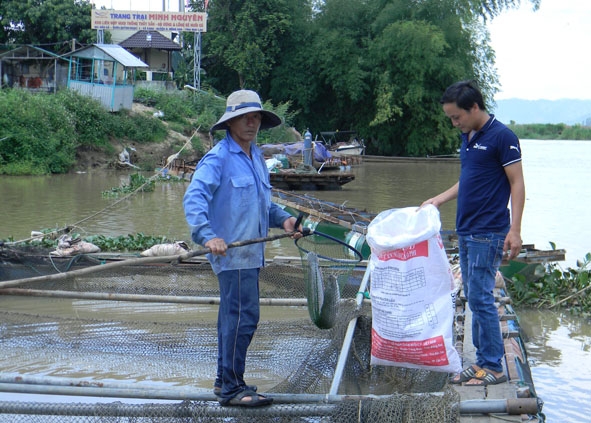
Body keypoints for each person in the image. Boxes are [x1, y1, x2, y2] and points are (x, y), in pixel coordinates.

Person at [183, 89, 301, 407]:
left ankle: (225, 382)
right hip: (231, 254)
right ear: (231, 122)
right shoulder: (219, 158)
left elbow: (264, 206)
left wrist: (286, 221)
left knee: (235, 318)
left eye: (256, 117)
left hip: (251, 255)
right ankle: (234, 389)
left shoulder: (256, 158)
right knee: (241, 318)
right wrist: (208, 236)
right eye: (245, 117)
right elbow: (194, 199)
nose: (252, 122)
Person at [421, 80, 525, 386]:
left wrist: (515, 230)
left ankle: (492, 367)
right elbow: (467, 179)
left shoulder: (502, 137)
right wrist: (438, 199)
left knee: (480, 297)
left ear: (474, 107)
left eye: (457, 117)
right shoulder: (469, 137)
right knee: (474, 295)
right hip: (467, 230)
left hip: (488, 230)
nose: (454, 123)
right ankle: (482, 361)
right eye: (451, 118)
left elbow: (517, 183)